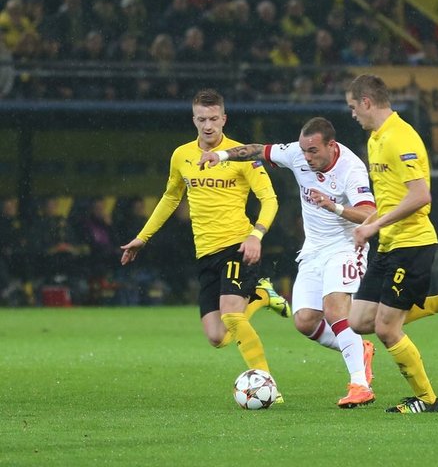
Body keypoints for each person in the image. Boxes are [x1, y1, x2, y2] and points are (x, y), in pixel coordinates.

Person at [120, 89, 290, 402]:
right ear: (193, 119)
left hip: (238, 246)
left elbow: (269, 199)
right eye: (201, 119)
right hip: (205, 253)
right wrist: (143, 237)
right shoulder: (181, 155)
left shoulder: (241, 155)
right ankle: (262, 296)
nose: (208, 125)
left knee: (232, 316)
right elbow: (170, 198)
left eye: (213, 119)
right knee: (217, 337)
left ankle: (268, 386)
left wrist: (256, 235)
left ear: (224, 119)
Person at [198, 117, 377, 408]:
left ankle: (360, 384)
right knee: (304, 321)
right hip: (313, 250)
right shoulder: (297, 154)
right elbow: (257, 150)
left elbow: (370, 214)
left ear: (331, 146)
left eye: (313, 151)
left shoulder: (351, 168)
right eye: (304, 150)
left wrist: (334, 206)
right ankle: (359, 349)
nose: (307, 157)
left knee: (335, 309)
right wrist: (221, 155)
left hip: (345, 247)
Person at [345, 73, 438, 414]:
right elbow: (390, 199)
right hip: (388, 244)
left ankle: (427, 399)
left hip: (412, 244)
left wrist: (375, 226)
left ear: (367, 103)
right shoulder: (375, 139)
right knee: (359, 321)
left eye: (353, 107)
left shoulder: (400, 138)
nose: (352, 114)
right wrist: (369, 226)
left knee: (386, 328)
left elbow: (420, 195)